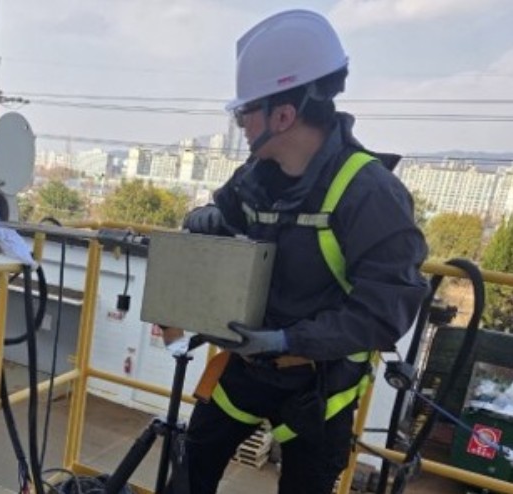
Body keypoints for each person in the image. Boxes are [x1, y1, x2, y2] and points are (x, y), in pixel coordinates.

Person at [170, 9, 429, 494]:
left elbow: (383, 312)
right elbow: (230, 215)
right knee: (186, 476)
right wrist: (208, 217)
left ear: (283, 115)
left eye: (245, 113)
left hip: (320, 385)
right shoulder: (257, 175)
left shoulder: (369, 194)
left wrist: (287, 340)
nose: (241, 124)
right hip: (248, 368)